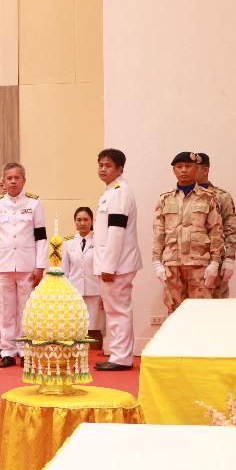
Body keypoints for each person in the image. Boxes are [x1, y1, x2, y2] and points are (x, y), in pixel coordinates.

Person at [0, 163, 47, 368]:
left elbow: (41, 237)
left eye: (16, 178)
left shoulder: (34, 204)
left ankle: (25, 350)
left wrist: (40, 266)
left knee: (25, 310)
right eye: (9, 178)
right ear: (4, 181)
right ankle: (7, 351)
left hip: (27, 265)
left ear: (23, 180)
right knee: (5, 310)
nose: (13, 181)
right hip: (2, 266)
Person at [152, 152, 224, 314]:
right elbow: (158, 232)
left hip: (199, 264)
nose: (183, 170)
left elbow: (216, 232)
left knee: (201, 312)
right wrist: (156, 262)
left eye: (188, 166)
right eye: (179, 167)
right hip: (172, 265)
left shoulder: (208, 198)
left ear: (196, 168)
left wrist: (215, 263)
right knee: (174, 312)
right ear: (174, 170)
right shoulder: (165, 199)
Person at [93, 149, 143, 371]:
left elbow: (116, 231)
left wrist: (109, 266)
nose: (103, 169)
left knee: (118, 310)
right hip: (114, 262)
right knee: (114, 310)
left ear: (120, 169)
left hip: (117, 263)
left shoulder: (120, 192)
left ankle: (121, 357)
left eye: (108, 165)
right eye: (101, 165)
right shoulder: (110, 191)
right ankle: (118, 354)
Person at [60, 207, 103, 349]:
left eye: (86, 219)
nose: (82, 223)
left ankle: (96, 355)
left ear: (92, 222)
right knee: (76, 328)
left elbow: (102, 268)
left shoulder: (99, 241)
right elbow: (64, 271)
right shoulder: (68, 243)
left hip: (95, 291)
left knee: (95, 328)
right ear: (75, 222)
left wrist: (104, 293)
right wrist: (65, 293)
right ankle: (77, 355)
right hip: (75, 293)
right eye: (79, 220)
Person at [196, 155, 236, 298]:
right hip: (188, 263)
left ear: (205, 170)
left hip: (213, 262)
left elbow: (230, 229)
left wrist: (229, 259)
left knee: (216, 304)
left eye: (195, 168)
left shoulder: (221, 196)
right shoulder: (181, 196)